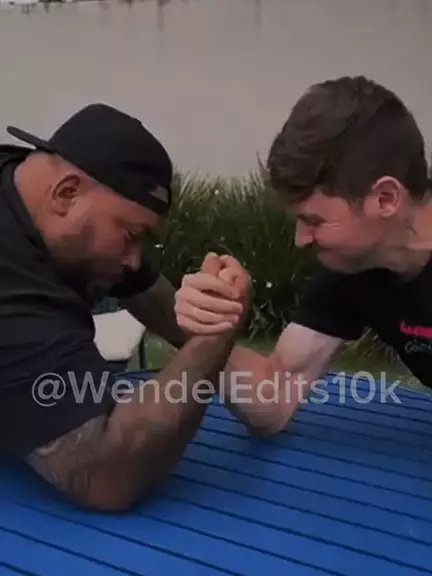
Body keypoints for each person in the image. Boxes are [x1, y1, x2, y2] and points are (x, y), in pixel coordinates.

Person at [0, 103, 253, 511]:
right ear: (66, 193)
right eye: (131, 235)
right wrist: (213, 339)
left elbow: (143, 288)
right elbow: (105, 477)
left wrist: (257, 379)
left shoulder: (23, 182)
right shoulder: (12, 284)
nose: (134, 260)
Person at [174, 75, 432, 428]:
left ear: (385, 199)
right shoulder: (352, 271)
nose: (300, 239)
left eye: (313, 220)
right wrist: (210, 331)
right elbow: (274, 398)